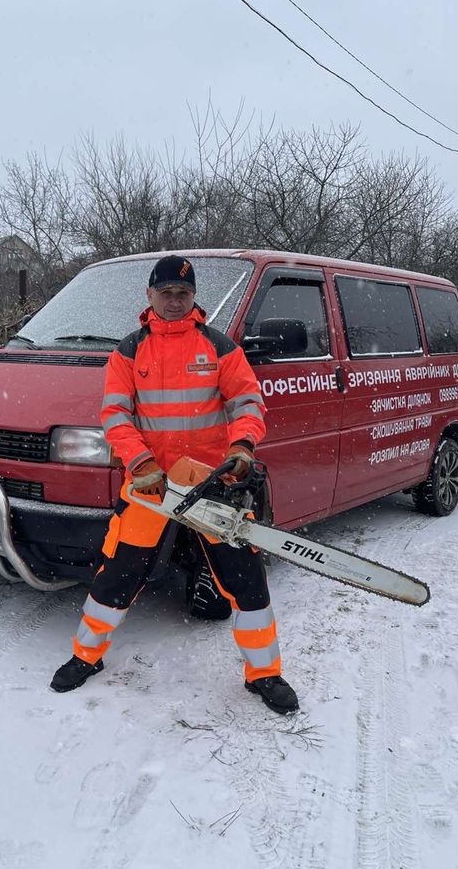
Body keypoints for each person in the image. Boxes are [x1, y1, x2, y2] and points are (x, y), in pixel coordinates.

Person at [50, 255, 298, 714]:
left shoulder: (219, 346)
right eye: (165, 293)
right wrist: (140, 461)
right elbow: (115, 415)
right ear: (149, 296)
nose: (174, 301)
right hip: (151, 485)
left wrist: (242, 447)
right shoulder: (128, 350)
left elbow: (247, 403)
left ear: (193, 297)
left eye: (182, 293)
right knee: (118, 574)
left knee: (245, 580)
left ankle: (264, 673)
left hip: (211, 485)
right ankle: (86, 656)